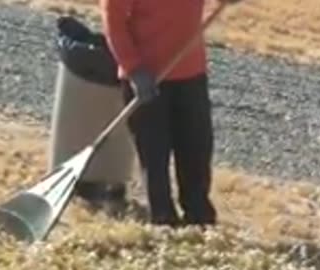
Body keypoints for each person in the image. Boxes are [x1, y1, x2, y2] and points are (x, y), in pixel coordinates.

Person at [98, 0, 241, 227]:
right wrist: (134, 70)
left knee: (197, 149)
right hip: (146, 79)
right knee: (155, 156)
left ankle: (199, 217)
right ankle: (163, 220)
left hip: (191, 73)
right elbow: (114, 23)